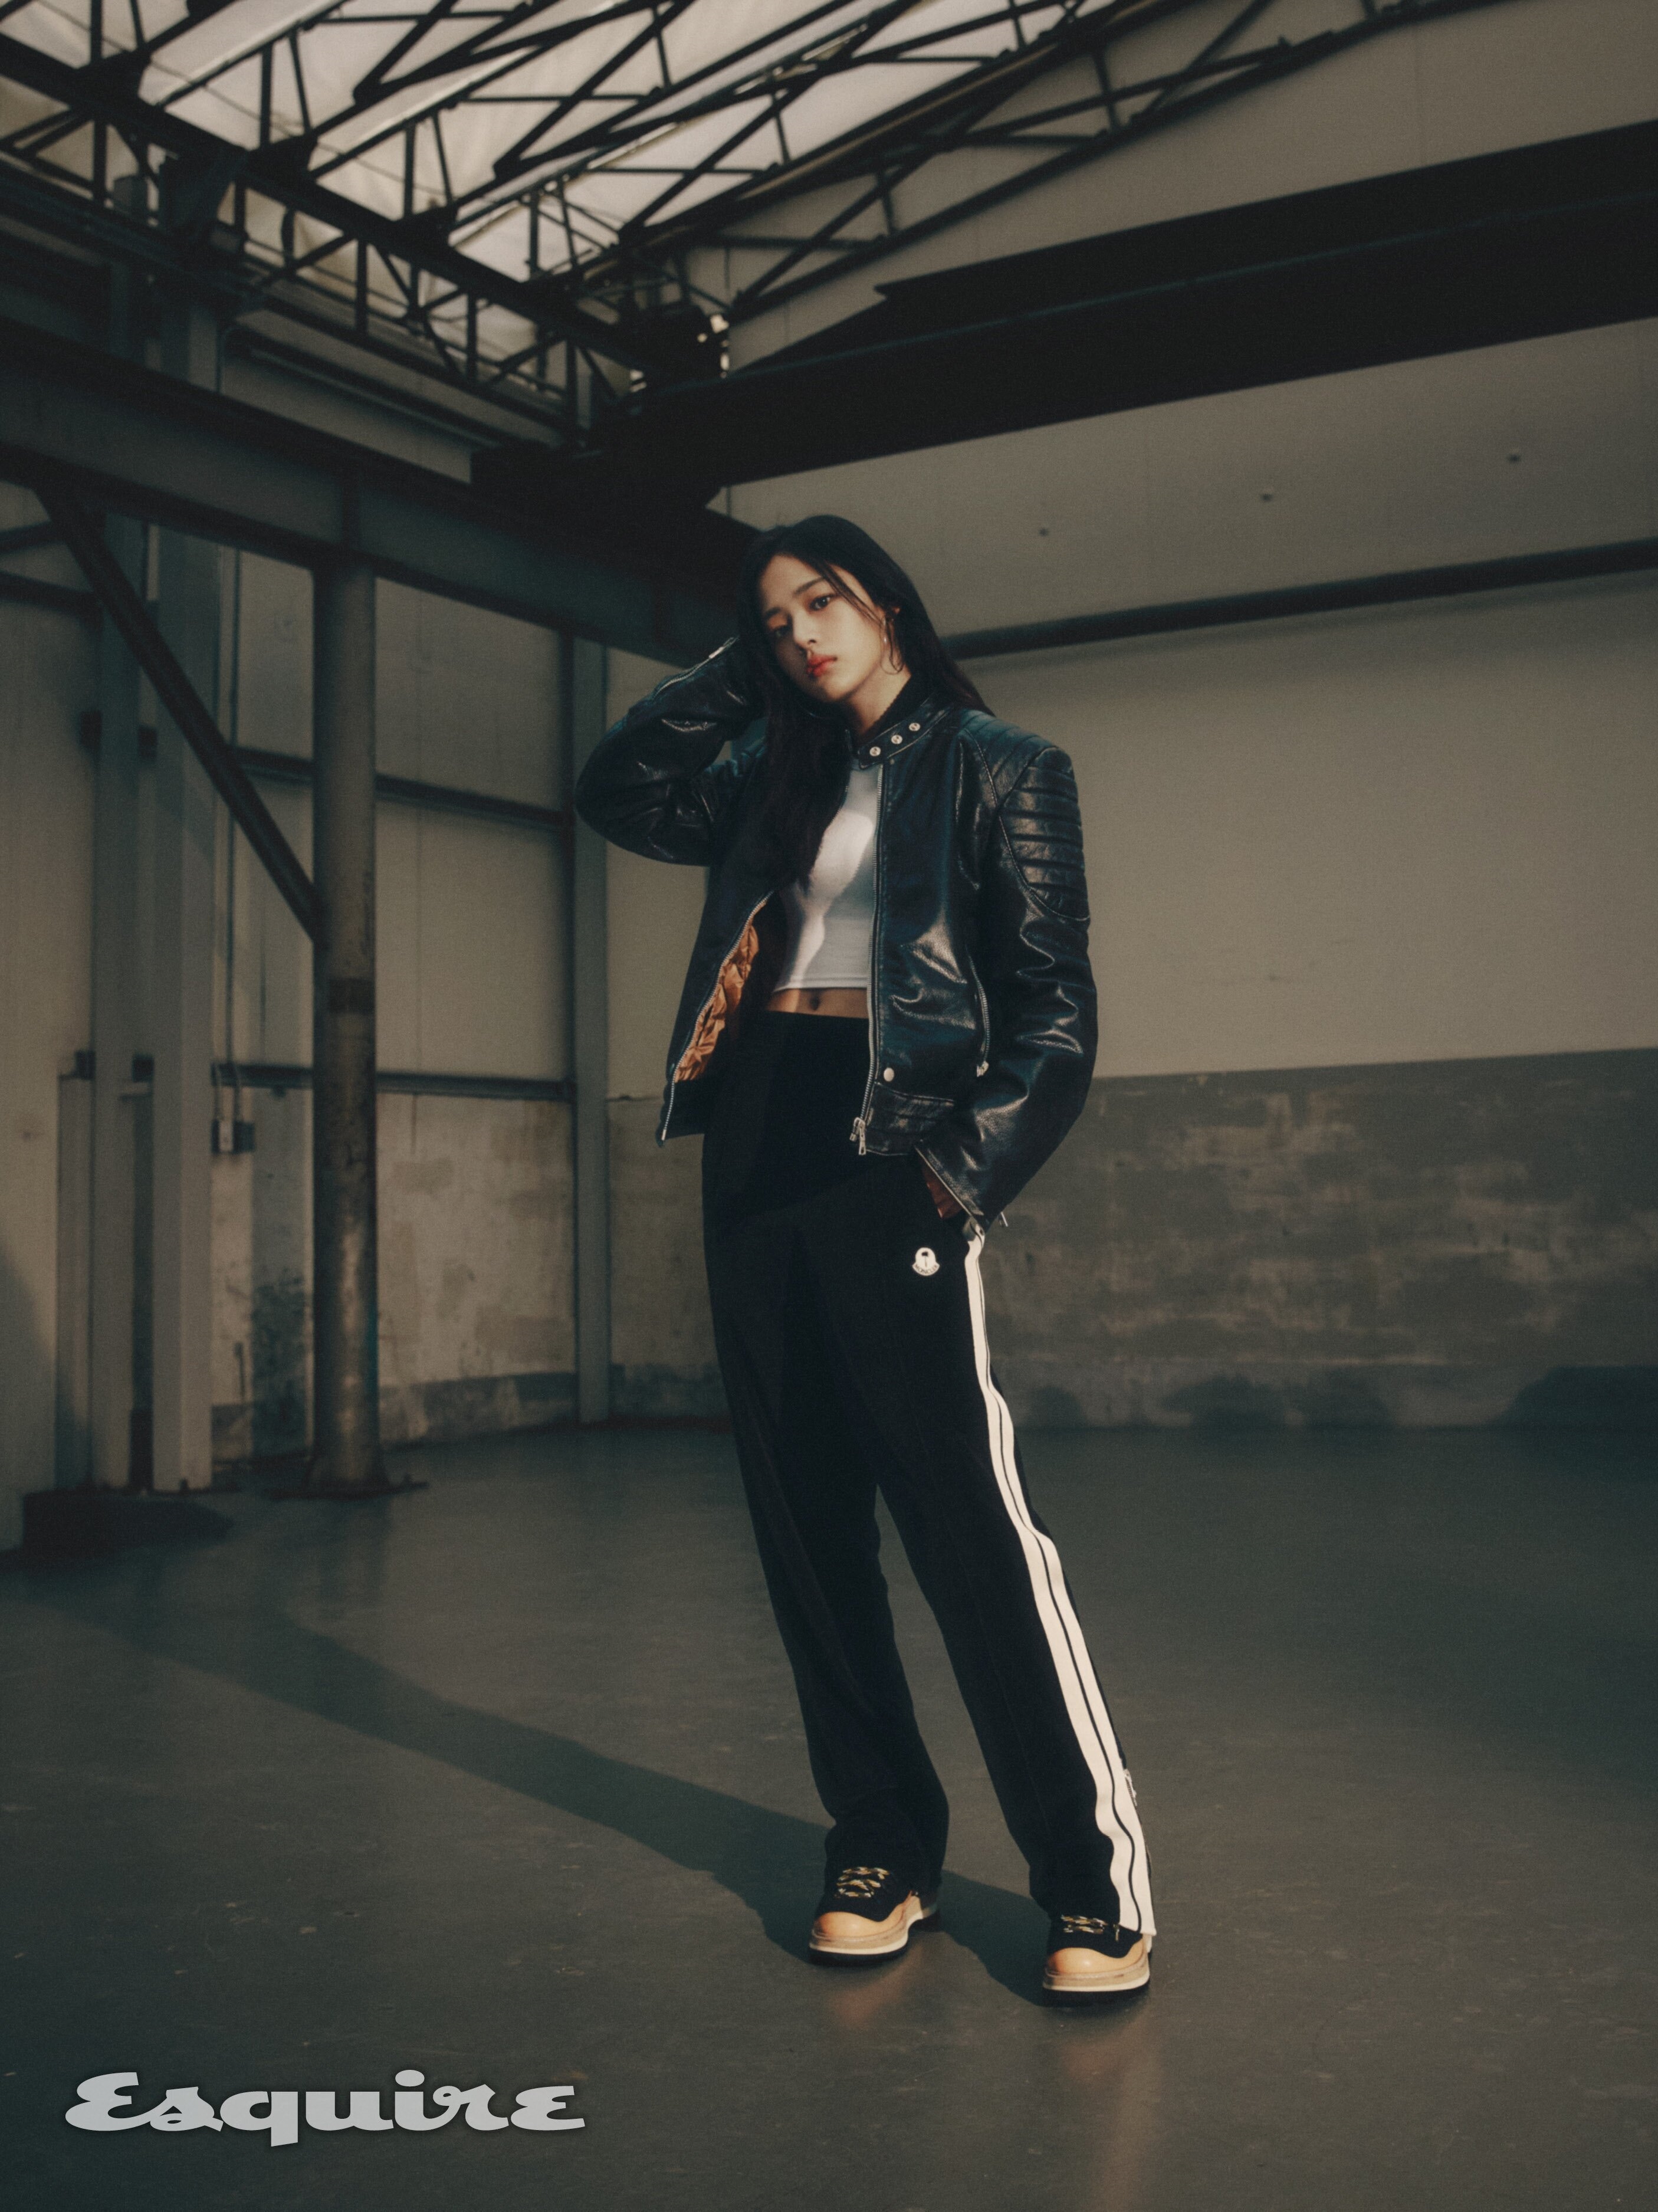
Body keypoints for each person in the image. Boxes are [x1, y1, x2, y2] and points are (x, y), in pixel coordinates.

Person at [576, 514, 1154, 2000]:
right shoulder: (767, 774)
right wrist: (745, 673)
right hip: (757, 1129)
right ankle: (881, 1847)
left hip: (898, 1143)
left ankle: (1089, 1880)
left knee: (966, 1526)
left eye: (823, 602)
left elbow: (1056, 1011)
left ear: (888, 600)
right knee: (804, 1521)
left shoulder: (1003, 766)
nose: (803, 635)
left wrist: (960, 1177)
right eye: (776, 620)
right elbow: (614, 786)